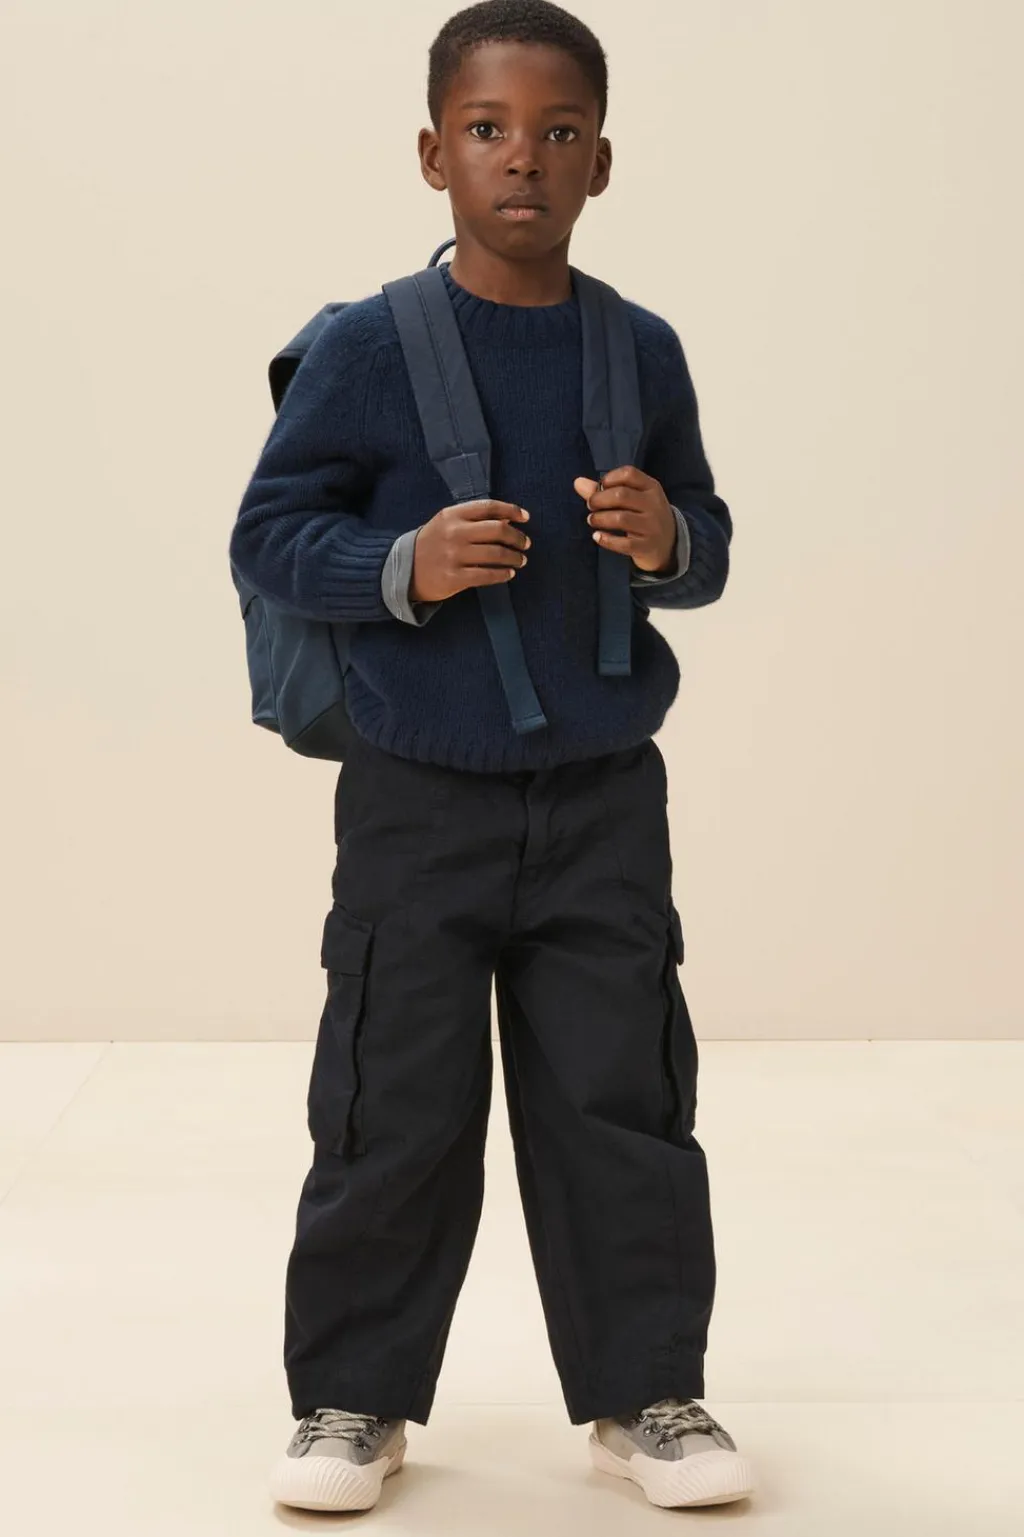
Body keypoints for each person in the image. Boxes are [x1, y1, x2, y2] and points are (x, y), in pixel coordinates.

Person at [229, 0, 753, 1514]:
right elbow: (269, 536)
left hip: (604, 800)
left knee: (623, 1098)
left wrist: (668, 541)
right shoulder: (367, 350)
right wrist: (404, 564)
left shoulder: (641, 349)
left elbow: (708, 543)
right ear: (432, 154)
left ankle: (648, 1394)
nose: (522, 156)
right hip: (417, 798)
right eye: (487, 129)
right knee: (390, 1101)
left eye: (558, 131)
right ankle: (351, 1400)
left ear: (602, 163)